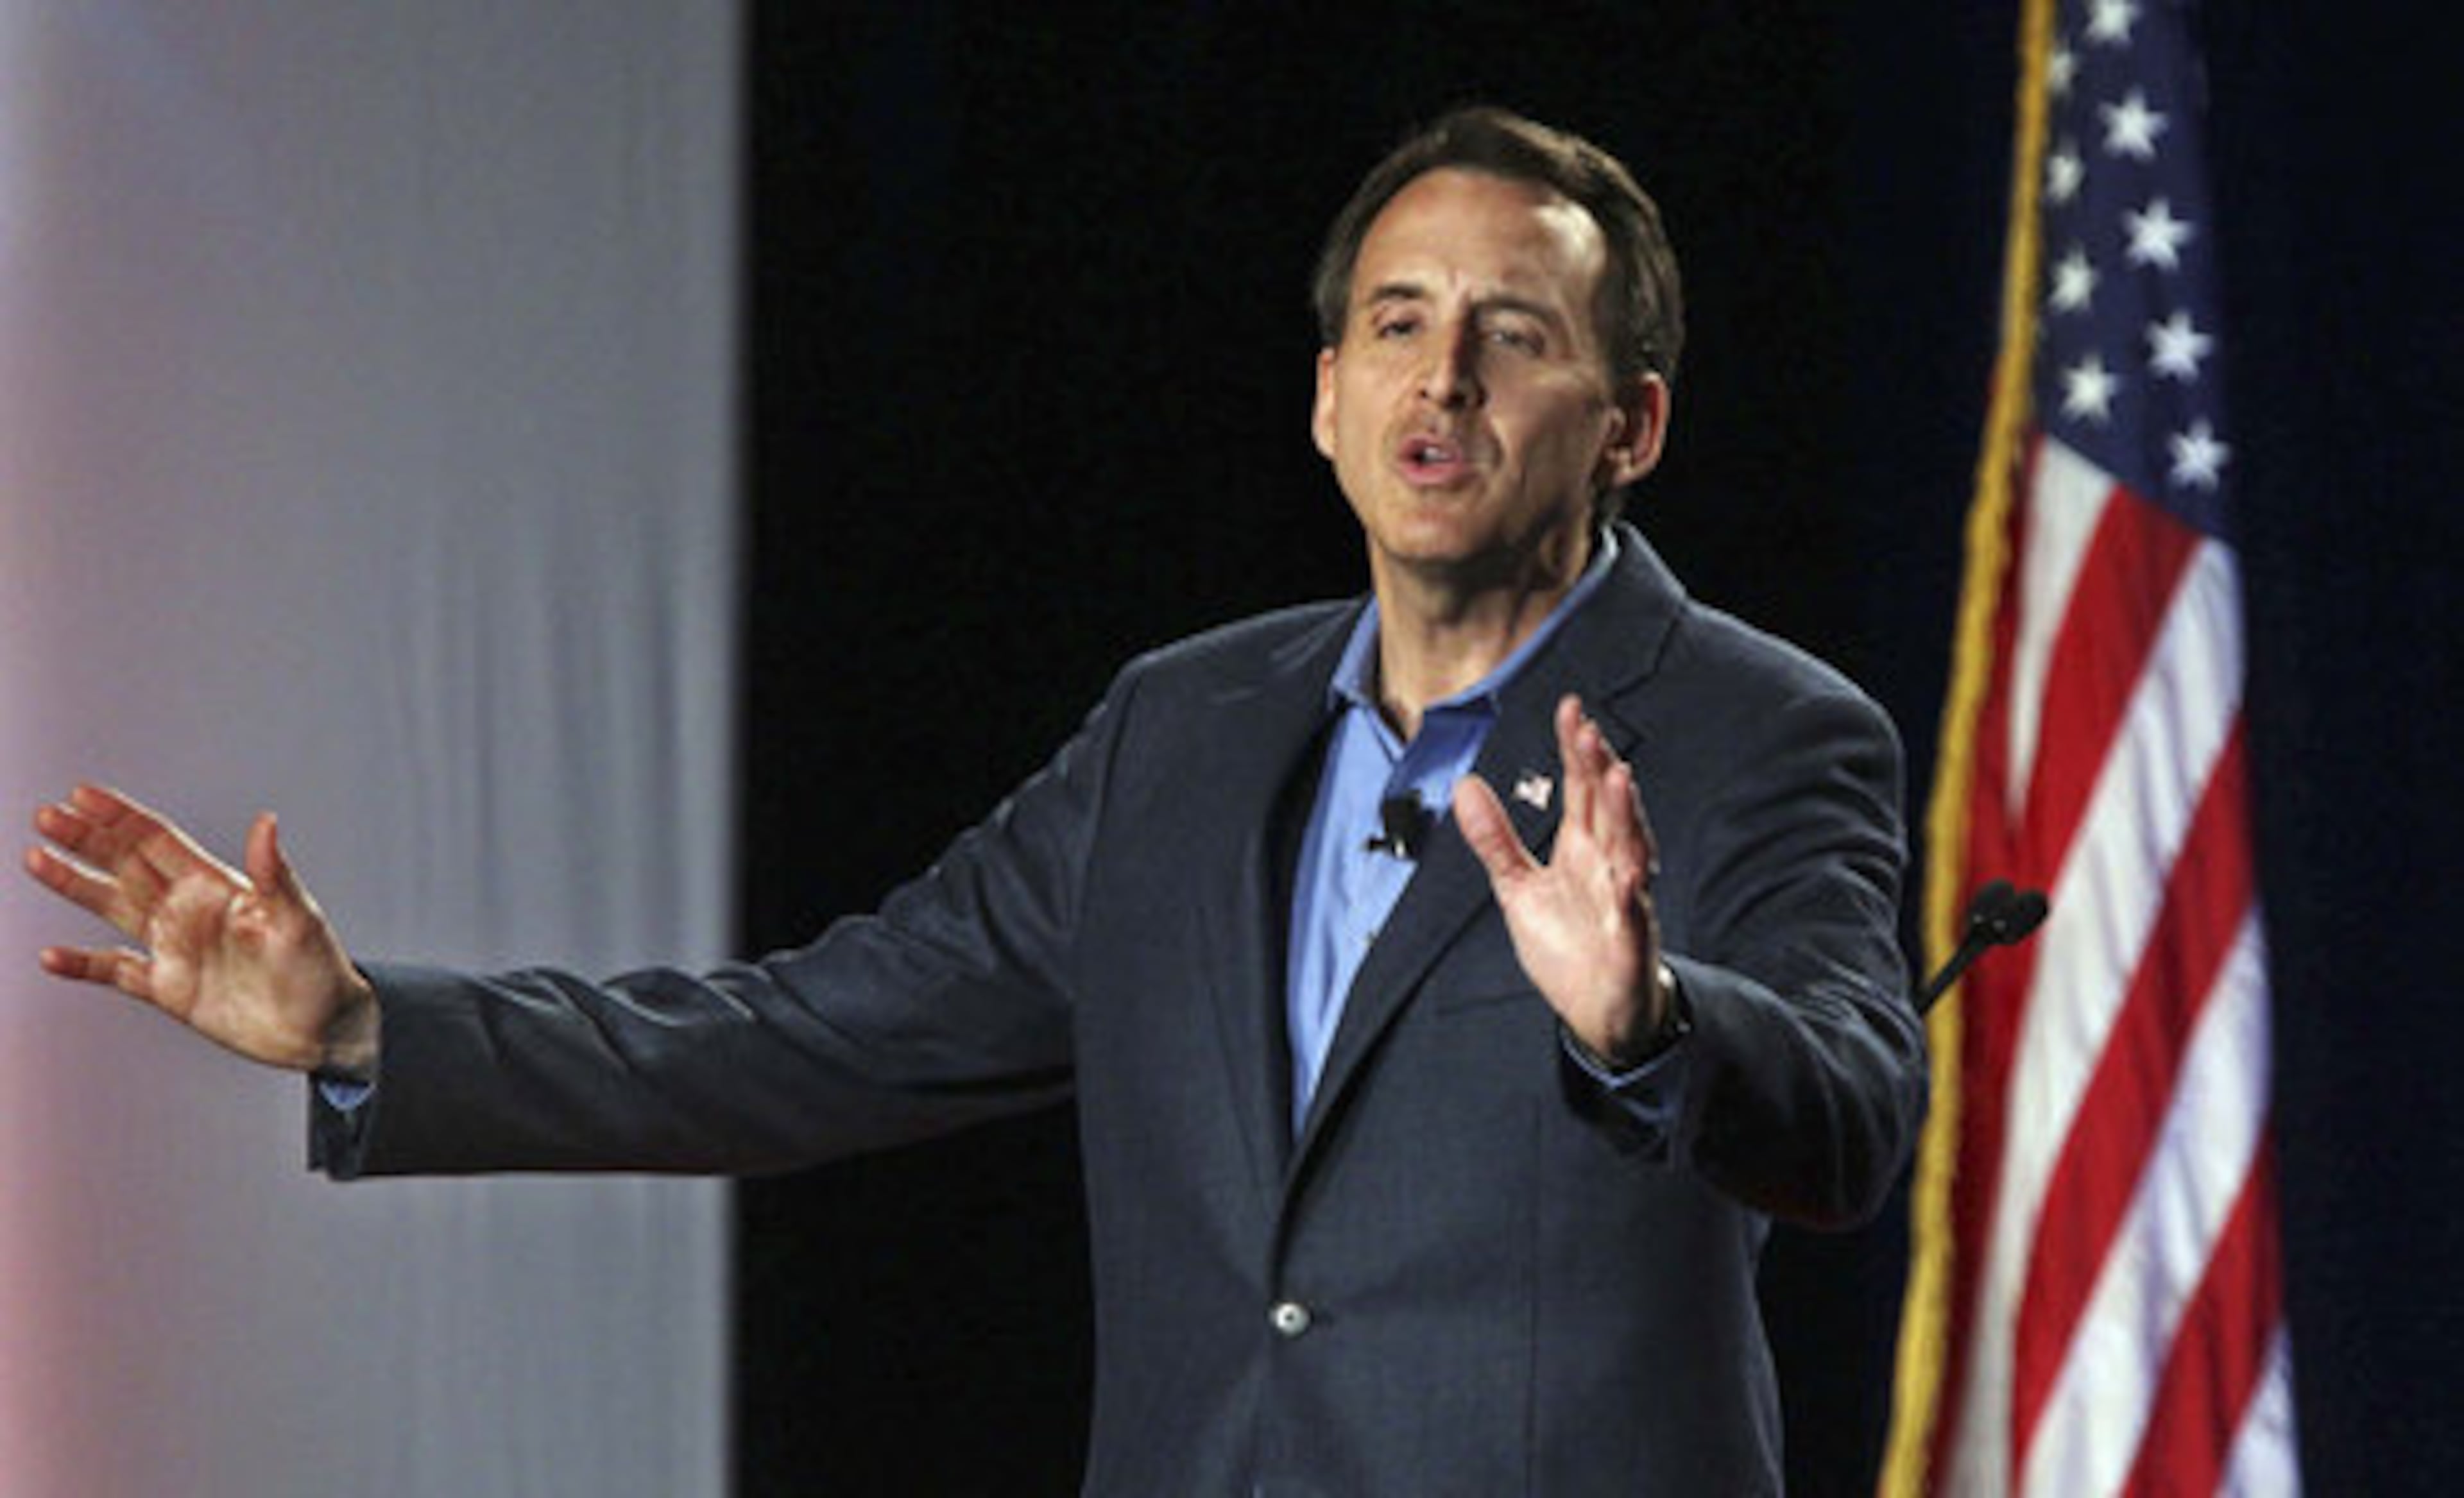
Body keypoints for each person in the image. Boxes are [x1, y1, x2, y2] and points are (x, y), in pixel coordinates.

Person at [25, 107, 1924, 1495]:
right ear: (1329, 395)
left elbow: (1846, 1116)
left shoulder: (1764, 733)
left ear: (1633, 424)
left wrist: (1652, 1025)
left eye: (1514, 332)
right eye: (1400, 323)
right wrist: (370, 1029)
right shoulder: (1184, 734)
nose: (1444, 375)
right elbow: (810, 1034)